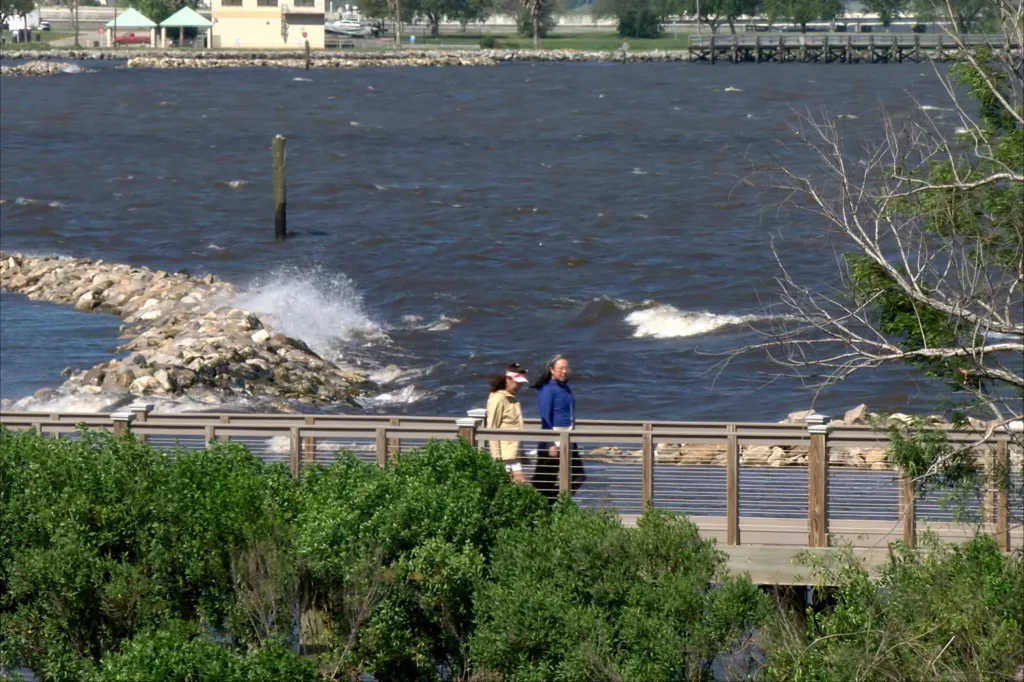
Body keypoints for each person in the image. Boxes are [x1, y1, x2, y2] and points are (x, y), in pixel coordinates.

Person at [531, 355, 581, 503]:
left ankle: (556, 505)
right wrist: (550, 443)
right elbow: (545, 417)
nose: (564, 371)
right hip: (553, 441)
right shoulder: (547, 389)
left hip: (568, 438)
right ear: (552, 370)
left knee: (578, 476)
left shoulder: (565, 387)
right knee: (545, 481)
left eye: (566, 368)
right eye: (561, 368)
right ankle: (547, 509)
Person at [485, 363, 529, 482]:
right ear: (508, 379)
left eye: (520, 383)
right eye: (517, 382)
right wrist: (496, 458)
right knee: (519, 482)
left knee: (515, 486)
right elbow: (492, 428)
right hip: (505, 455)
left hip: (513, 453)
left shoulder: (510, 398)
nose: (519, 386)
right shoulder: (498, 399)